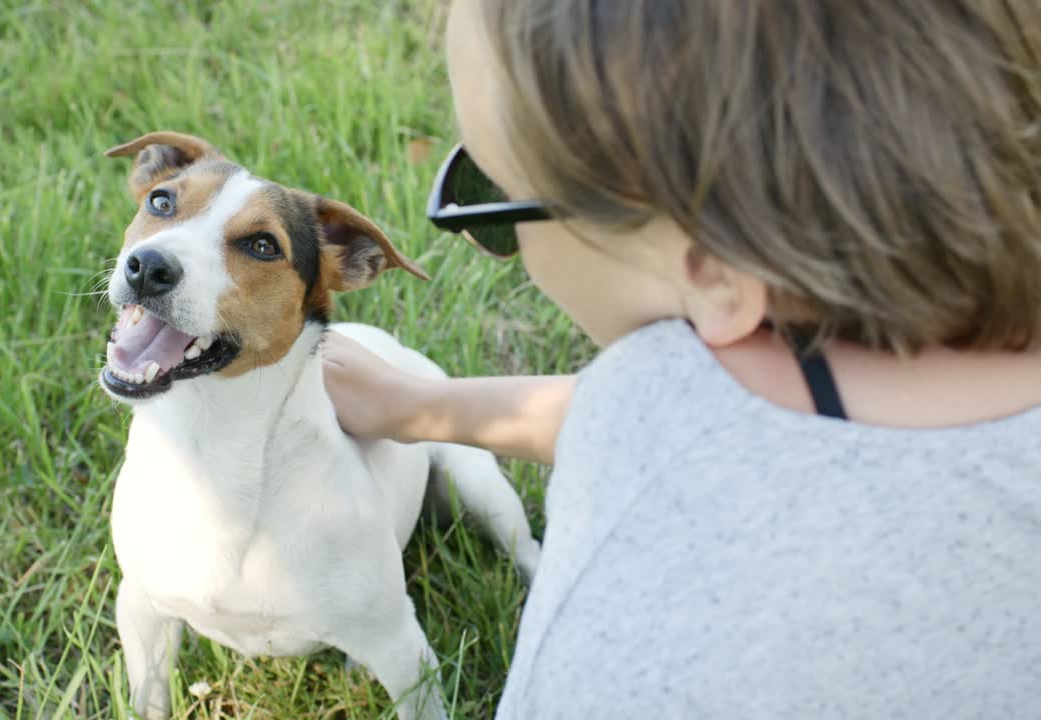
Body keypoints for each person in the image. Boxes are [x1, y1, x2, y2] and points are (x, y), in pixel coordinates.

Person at [321, 0, 1041, 717]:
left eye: (495, 199)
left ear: (717, 276)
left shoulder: (639, 652)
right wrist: (416, 407)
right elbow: (692, 422)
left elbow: (656, 420)